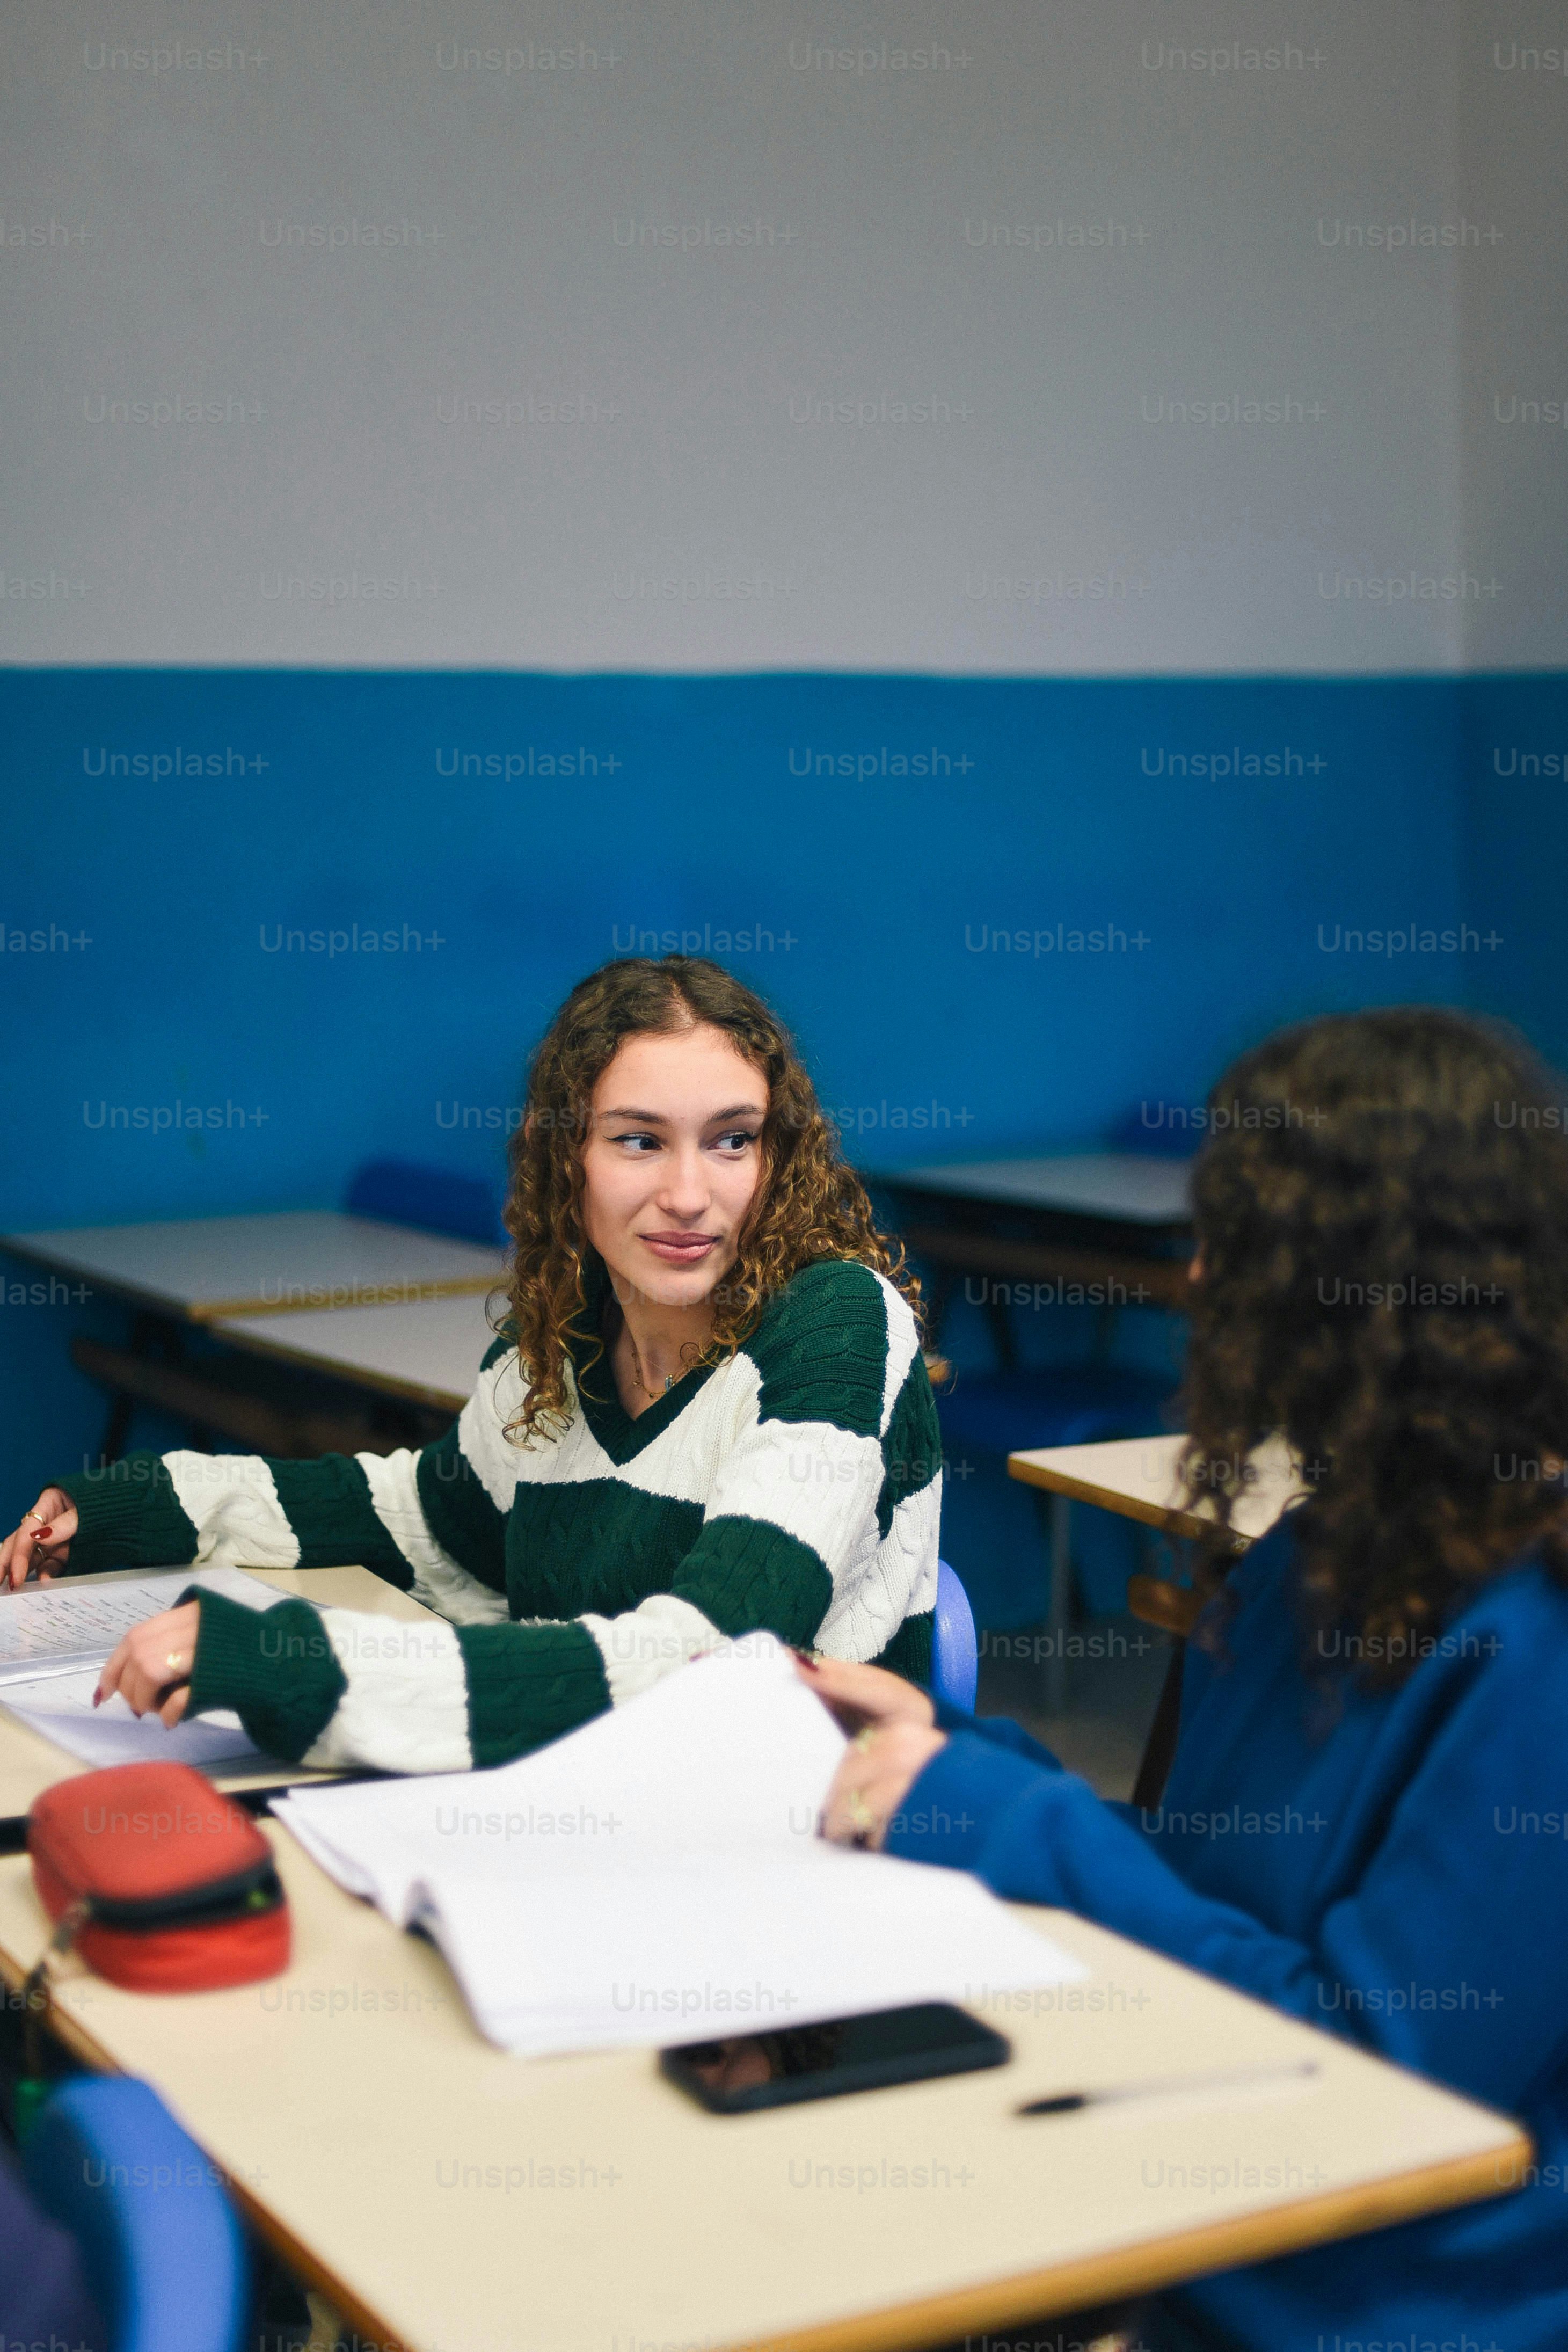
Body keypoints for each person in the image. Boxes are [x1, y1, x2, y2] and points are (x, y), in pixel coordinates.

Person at [799, 1007, 1568, 2352]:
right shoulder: (1332, 1540)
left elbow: (1373, 2073)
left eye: (1245, 1241)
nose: (1202, 1275)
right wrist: (967, 1755)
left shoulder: (1541, 1639)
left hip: (1376, 2295)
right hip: (1201, 2193)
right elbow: (1199, 1885)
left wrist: (996, 1816)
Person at [0, 956, 941, 1769]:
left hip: (794, 1827)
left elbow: (710, 1660)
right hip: (577, 1795)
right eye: (638, 1140)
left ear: (777, 1156)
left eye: (732, 1140)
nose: (689, 1193)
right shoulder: (565, 1340)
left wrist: (297, 1663)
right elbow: (426, 1521)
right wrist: (138, 1508)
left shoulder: (836, 1326)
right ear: (565, 1158)